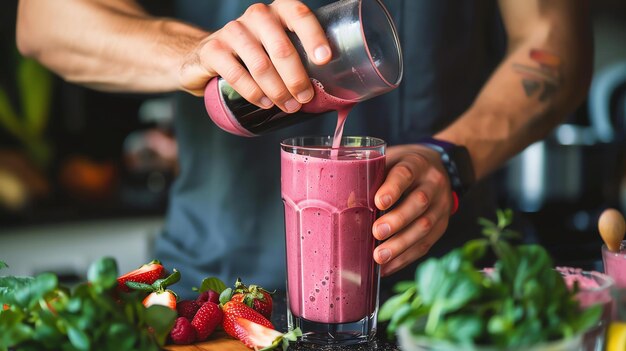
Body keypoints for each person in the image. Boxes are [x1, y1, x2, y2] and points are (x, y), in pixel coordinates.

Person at [16, 0, 592, 297]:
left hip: (445, 295)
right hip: (215, 292)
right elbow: (44, 20)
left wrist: (452, 156)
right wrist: (193, 53)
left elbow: (554, 38)